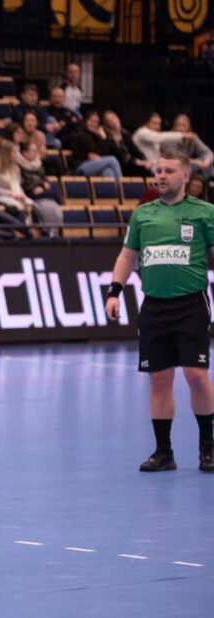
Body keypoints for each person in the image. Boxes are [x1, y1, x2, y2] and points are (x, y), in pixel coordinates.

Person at [105, 152, 214, 473]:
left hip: (191, 305)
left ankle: (208, 448)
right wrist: (114, 291)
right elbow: (127, 256)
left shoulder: (205, 212)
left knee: (196, 376)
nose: (161, 176)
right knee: (160, 379)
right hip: (154, 306)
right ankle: (163, 452)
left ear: (186, 177)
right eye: (158, 170)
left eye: (169, 171)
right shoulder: (143, 214)